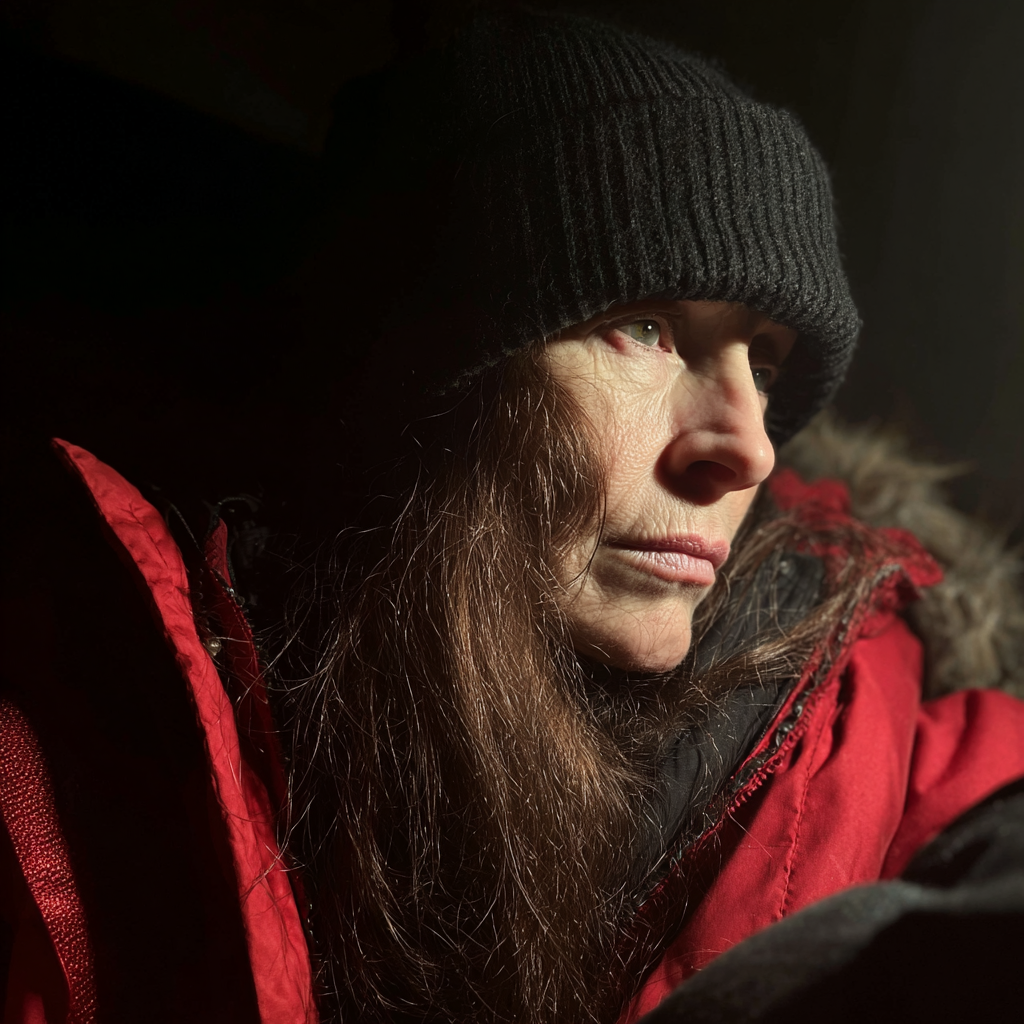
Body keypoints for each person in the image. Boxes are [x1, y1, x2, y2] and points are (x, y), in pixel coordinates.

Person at [2, 8, 1023, 1024]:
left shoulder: (868, 725)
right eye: (644, 326)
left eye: (763, 359)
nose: (750, 444)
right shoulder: (78, 769)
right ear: (422, 386)